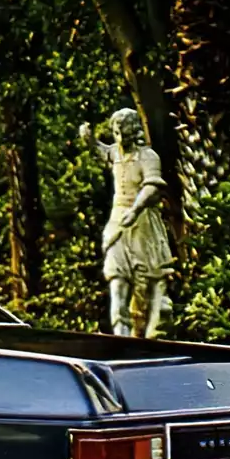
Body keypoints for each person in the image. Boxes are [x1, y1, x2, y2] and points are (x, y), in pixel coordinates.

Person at [80, 108, 174, 337]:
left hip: (142, 223)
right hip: (118, 221)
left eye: (125, 132)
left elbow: (152, 186)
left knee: (147, 283)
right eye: (116, 132)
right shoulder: (116, 153)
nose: (121, 137)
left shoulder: (148, 157)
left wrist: (135, 210)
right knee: (116, 278)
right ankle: (120, 335)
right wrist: (90, 139)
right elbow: (102, 150)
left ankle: (146, 332)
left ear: (134, 131)